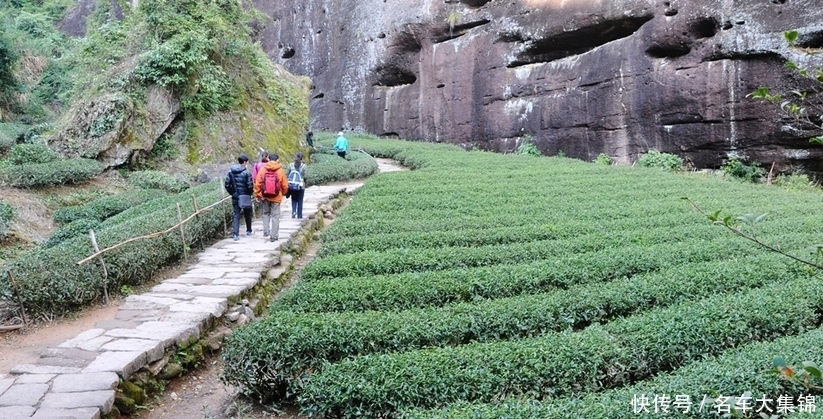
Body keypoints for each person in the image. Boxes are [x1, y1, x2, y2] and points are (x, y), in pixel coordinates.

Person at [253, 152, 289, 242]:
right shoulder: (280, 170)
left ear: (268, 159)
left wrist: (257, 194)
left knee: (265, 214)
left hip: (264, 196)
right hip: (276, 197)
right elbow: (285, 185)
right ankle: (274, 236)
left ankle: (266, 231)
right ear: (278, 160)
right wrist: (283, 193)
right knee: (275, 216)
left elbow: (258, 183)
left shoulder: (263, 169)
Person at [224, 154, 253, 241]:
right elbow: (250, 186)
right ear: (244, 162)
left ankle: (235, 234)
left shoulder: (230, 172)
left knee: (236, 215)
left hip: (236, 197)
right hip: (245, 196)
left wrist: (233, 193)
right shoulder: (247, 173)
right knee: (247, 213)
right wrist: (249, 193)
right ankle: (248, 230)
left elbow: (227, 185)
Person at [287, 152, 307, 219]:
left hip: (292, 185)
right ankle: (299, 215)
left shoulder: (290, 165)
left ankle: (293, 212)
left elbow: (287, 175)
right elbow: (306, 177)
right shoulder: (304, 166)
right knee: (300, 200)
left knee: (293, 199)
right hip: (301, 186)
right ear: (301, 159)